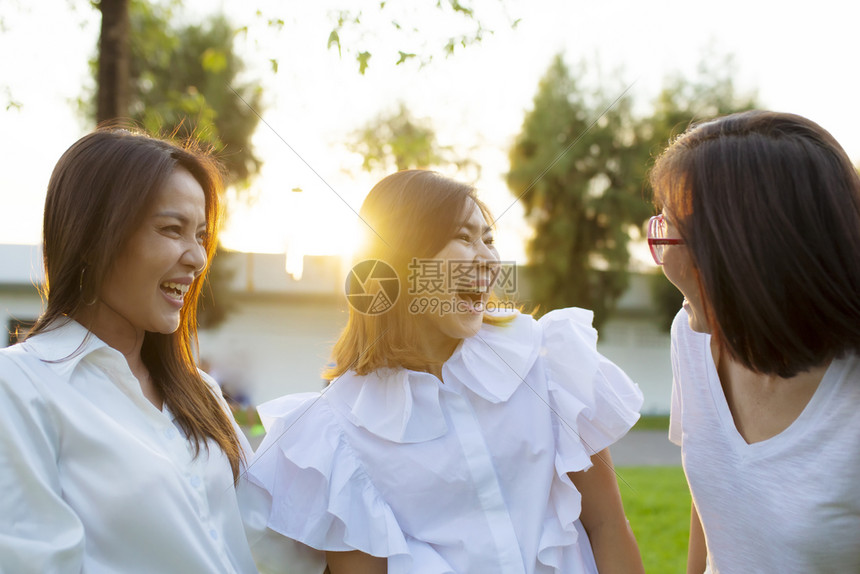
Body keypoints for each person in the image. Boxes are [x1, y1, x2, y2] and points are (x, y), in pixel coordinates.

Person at [245, 170, 646, 573]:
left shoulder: (546, 362)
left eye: (488, 240)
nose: (489, 260)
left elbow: (607, 524)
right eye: (464, 238)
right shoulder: (336, 433)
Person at [0, 127, 259, 572]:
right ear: (94, 236)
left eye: (200, 234)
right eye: (171, 229)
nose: (197, 258)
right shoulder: (19, 388)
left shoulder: (201, 393)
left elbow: (274, 544)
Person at [647, 110, 860, 573]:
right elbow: (713, 506)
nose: (660, 256)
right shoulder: (691, 339)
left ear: (745, 253)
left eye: (670, 233)